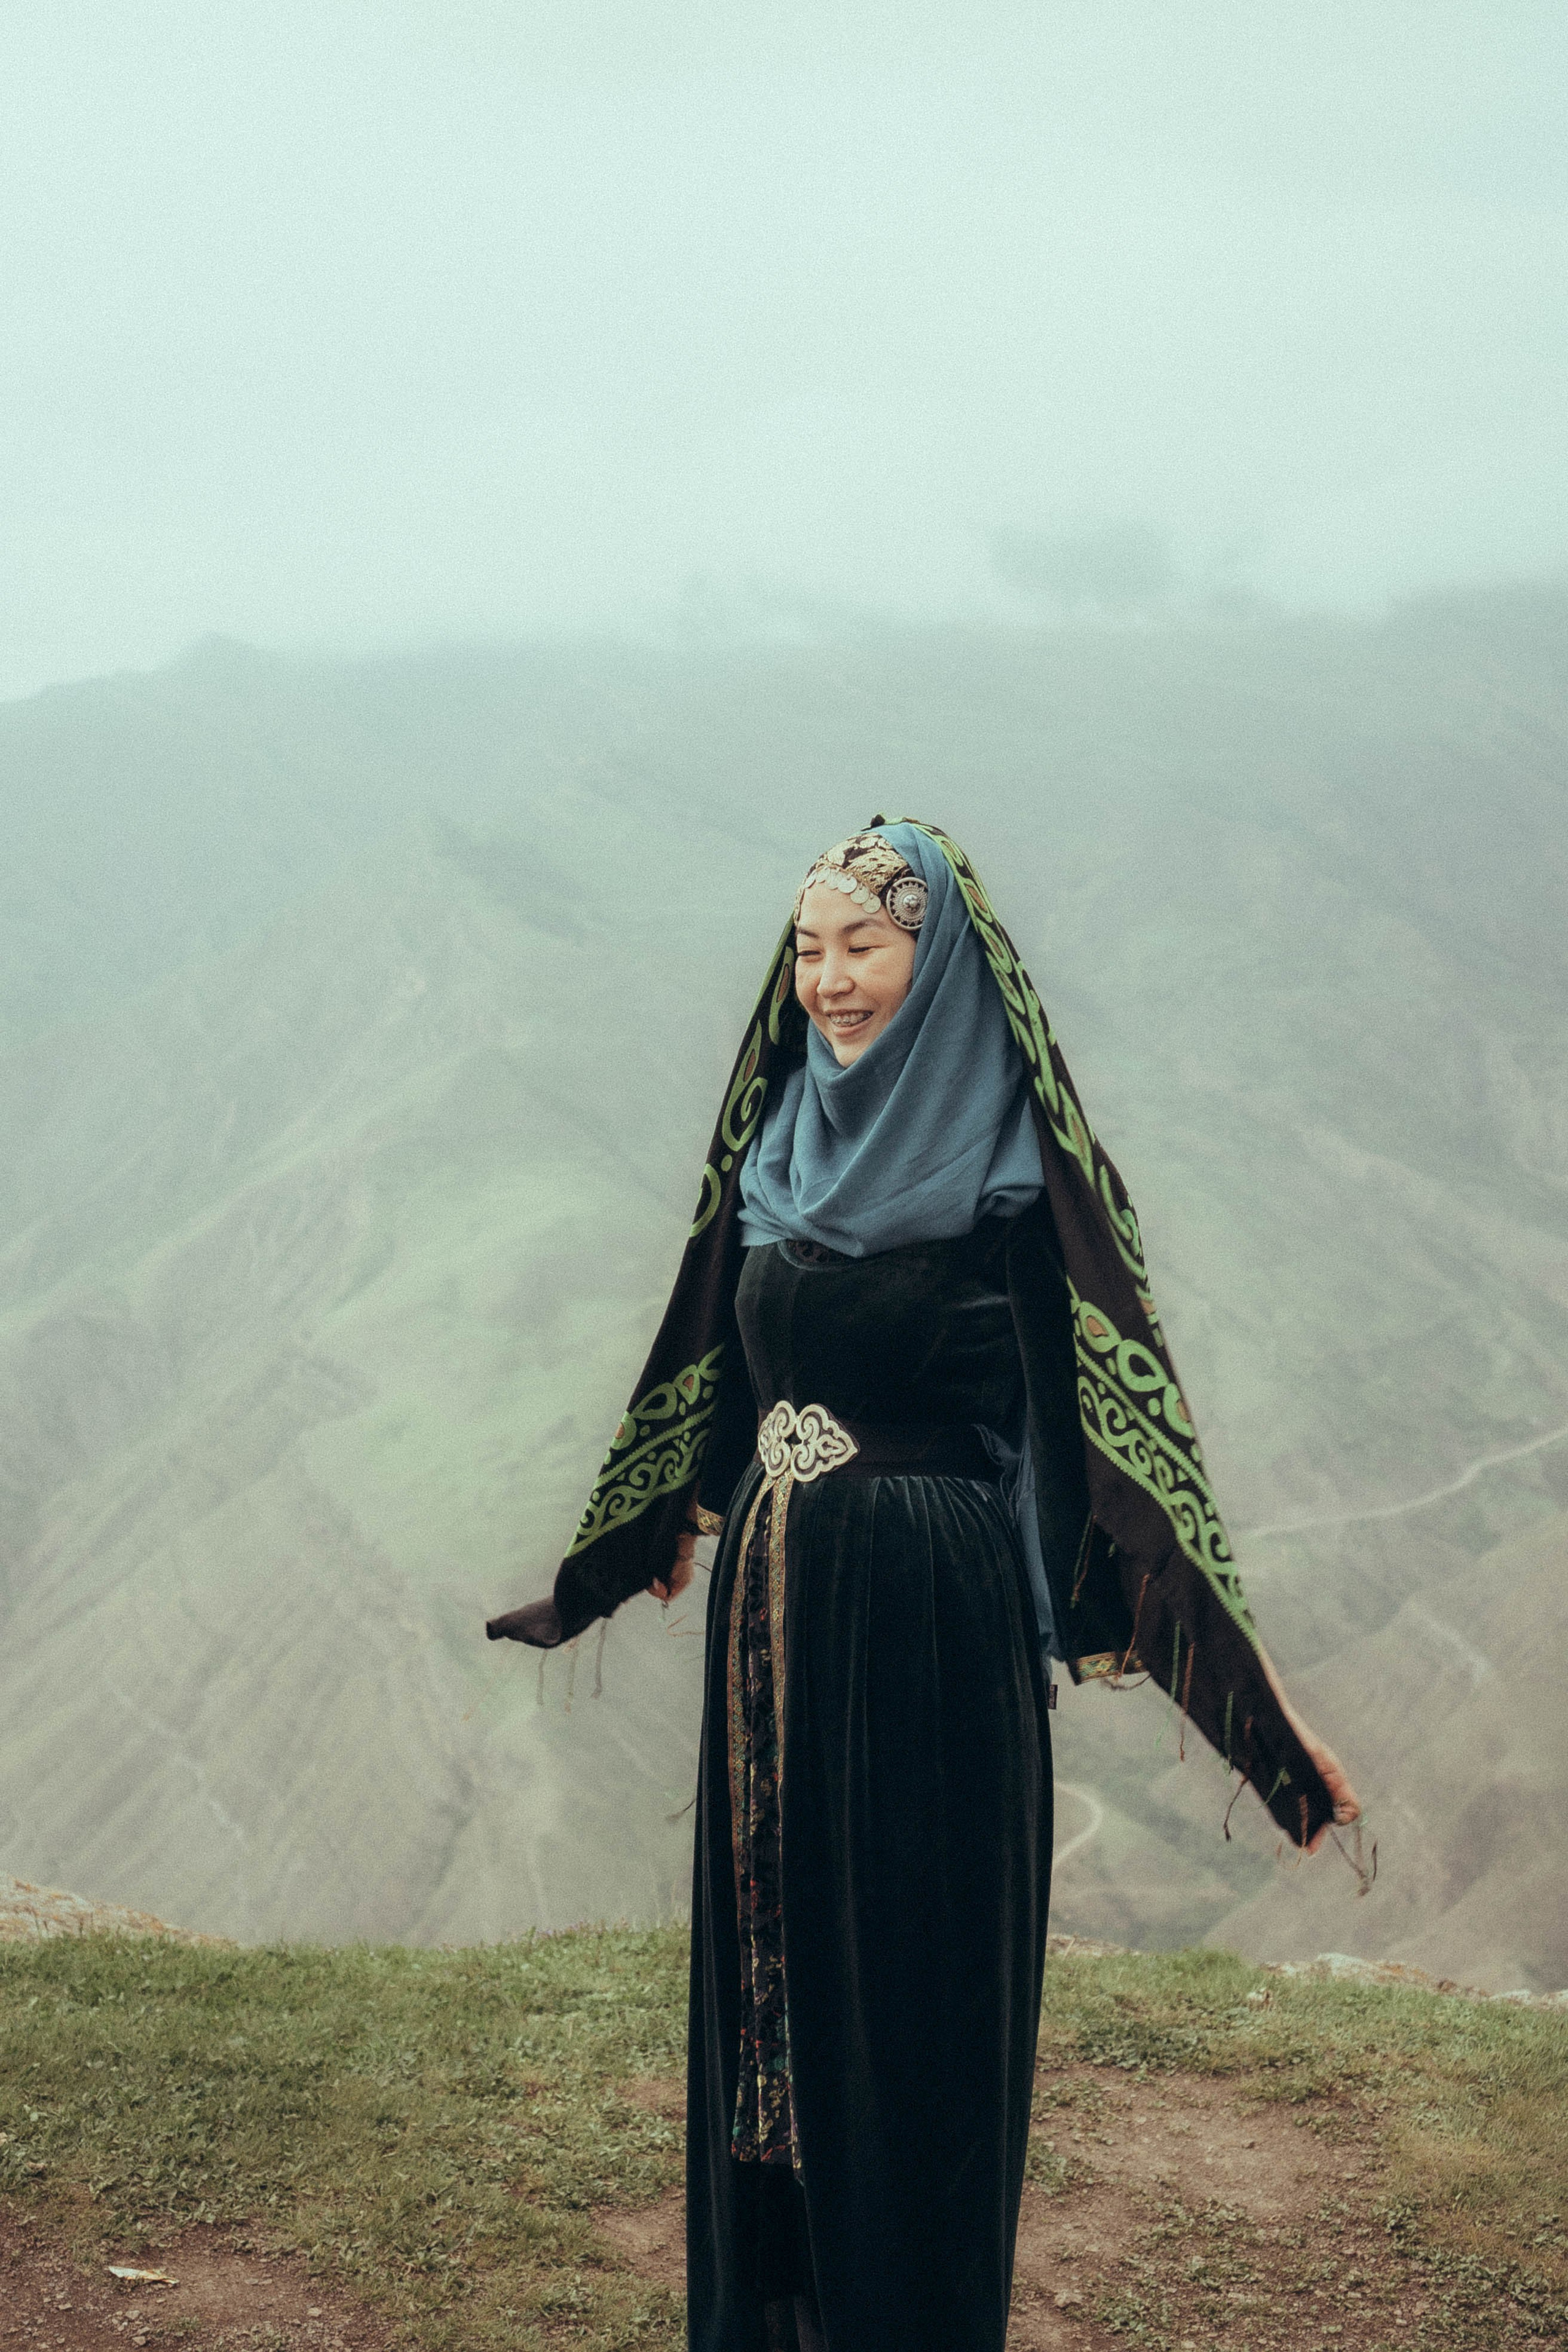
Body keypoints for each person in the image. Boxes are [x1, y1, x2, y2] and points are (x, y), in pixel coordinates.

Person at [489, 820, 1360, 2352]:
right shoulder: (773, 1149)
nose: (828, 982)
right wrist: (667, 1521)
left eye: (863, 948)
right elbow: (711, 1347)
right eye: (810, 950)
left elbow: (1116, 1460)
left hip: (928, 1621)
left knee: (910, 1998)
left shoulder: (1018, 1180)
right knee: (771, 1979)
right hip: (774, 1620)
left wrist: (1253, 1708)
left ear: (937, 957)